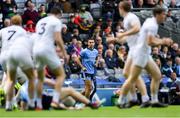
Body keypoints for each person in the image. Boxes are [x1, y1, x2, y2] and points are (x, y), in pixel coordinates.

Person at [117, 6, 173, 108]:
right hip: (141, 54)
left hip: (145, 53)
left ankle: (154, 100)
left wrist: (159, 40)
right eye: (164, 14)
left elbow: (149, 39)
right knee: (131, 78)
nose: (165, 16)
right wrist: (163, 41)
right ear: (158, 14)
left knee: (157, 75)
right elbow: (150, 41)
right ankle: (121, 100)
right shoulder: (152, 25)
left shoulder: (150, 21)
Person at [115, 1, 149, 107]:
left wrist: (123, 34)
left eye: (118, 8)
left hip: (138, 48)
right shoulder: (126, 19)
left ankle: (144, 98)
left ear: (121, 8)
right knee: (126, 73)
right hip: (133, 48)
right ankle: (136, 98)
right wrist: (116, 38)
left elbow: (137, 28)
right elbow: (129, 36)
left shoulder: (131, 17)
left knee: (133, 75)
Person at [33, 7, 68, 110]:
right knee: (61, 75)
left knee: (40, 78)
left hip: (36, 49)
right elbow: (57, 38)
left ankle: (38, 105)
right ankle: (55, 101)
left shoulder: (40, 21)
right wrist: (64, 53)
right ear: (58, 14)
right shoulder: (56, 21)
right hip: (47, 48)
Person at [0, 15, 35, 111]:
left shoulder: (3, 30)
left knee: (11, 80)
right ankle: (25, 101)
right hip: (17, 54)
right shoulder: (22, 31)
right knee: (30, 79)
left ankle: (8, 104)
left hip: (4, 56)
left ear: (11, 22)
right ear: (20, 23)